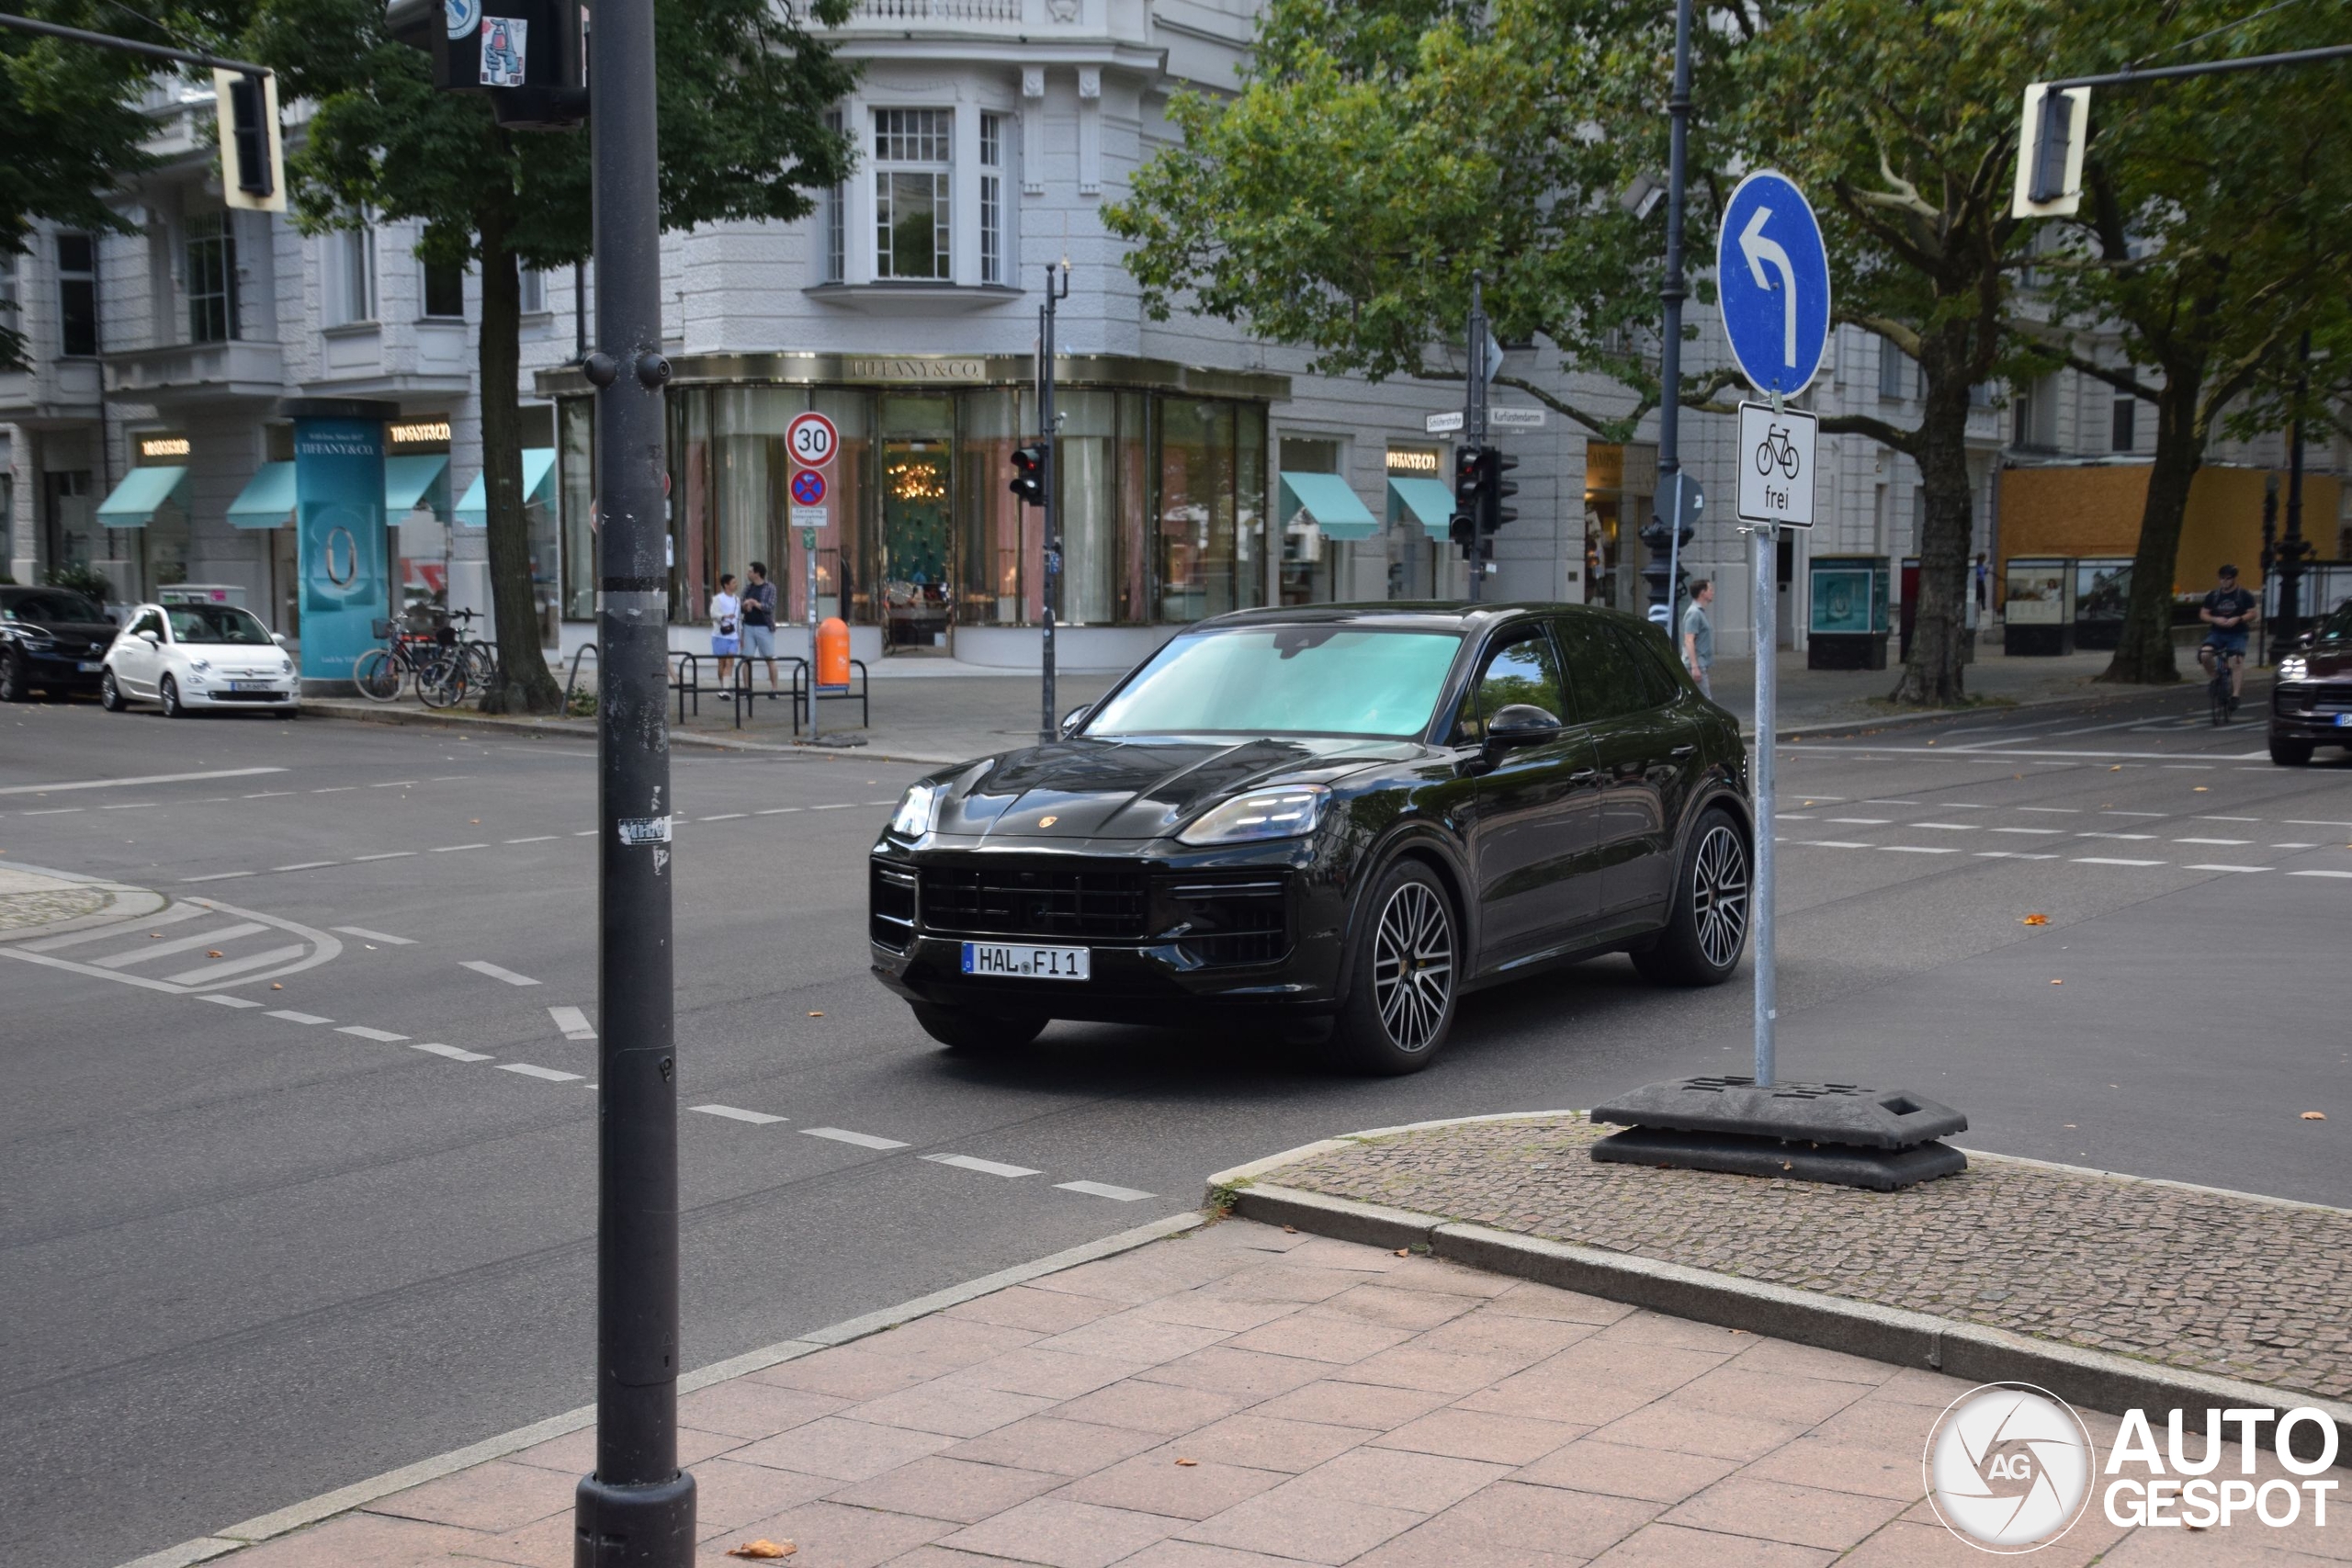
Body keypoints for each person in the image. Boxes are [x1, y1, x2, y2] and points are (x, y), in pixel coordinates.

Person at [2198, 564, 2258, 709]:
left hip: (2237, 633)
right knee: (2205, 654)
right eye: (2222, 578)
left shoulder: (2243, 595)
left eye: (2228, 579)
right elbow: (2204, 613)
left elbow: (2253, 613)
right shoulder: (2214, 595)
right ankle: (2215, 678)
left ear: (2234, 579)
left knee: (2236, 660)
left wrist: (2238, 619)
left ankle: (2235, 695)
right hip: (2217, 633)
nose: (2224, 581)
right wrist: (2214, 619)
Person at [741, 561, 779, 692]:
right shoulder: (748, 588)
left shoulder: (770, 588)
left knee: (769, 657)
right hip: (748, 626)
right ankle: (746, 688)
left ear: (757, 573)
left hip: (764, 626)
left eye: (750, 571)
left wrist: (756, 604)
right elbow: (741, 606)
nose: (748, 573)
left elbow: (770, 606)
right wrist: (746, 606)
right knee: (746, 658)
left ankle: (774, 689)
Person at [1680, 578, 1715, 697]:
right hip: (1695, 665)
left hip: (1700, 664)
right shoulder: (1694, 613)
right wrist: (1695, 667)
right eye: (1710, 589)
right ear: (1702, 593)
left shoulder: (1700, 613)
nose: (1713, 592)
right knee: (1706, 701)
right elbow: (1689, 640)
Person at [709, 572, 741, 685]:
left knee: (730, 662)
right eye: (733, 582)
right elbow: (713, 614)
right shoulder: (718, 598)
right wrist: (724, 616)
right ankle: (722, 687)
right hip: (720, 635)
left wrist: (740, 636)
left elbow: (738, 619)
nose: (736, 584)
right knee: (722, 662)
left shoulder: (737, 599)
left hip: (733, 636)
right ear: (726, 585)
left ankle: (726, 689)